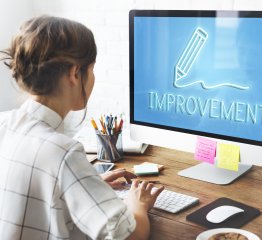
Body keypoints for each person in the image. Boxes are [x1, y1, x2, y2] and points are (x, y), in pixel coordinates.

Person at [0, 15, 164, 240]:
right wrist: (138, 205)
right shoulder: (63, 152)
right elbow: (131, 236)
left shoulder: (4, 124)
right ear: (75, 73)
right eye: (92, 69)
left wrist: (85, 186)